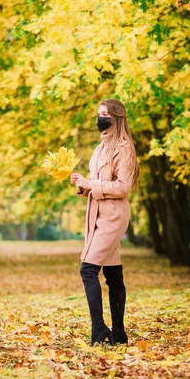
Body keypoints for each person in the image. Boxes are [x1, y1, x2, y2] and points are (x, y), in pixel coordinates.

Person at [70, 99, 140, 346]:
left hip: (113, 216)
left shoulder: (124, 148)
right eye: (98, 114)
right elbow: (96, 182)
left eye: (104, 114)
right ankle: (119, 334)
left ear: (116, 118)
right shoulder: (100, 148)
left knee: (88, 269)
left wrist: (92, 185)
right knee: (113, 273)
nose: (100, 118)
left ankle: (99, 329)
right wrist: (83, 184)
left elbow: (123, 187)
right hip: (97, 214)